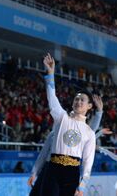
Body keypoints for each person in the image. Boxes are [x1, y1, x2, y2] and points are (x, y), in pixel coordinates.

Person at [40, 53, 96, 196]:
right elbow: (52, 98)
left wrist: (82, 185)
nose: (78, 102)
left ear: (89, 106)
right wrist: (51, 74)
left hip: (72, 173)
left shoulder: (89, 132)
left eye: (82, 100)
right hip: (53, 169)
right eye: (76, 99)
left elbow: (88, 163)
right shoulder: (61, 117)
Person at [28, 95, 105, 196]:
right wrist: (34, 172)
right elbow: (43, 154)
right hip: (49, 169)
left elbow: (90, 130)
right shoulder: (53, 134)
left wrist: (99, 112)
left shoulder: (82, 131)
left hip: (68, 172)